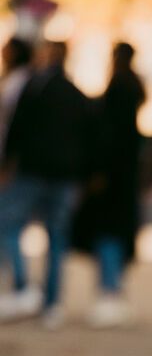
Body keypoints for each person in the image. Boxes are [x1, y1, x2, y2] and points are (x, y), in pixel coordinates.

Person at [0, 40, 92, 328]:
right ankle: (52, 303)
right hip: (64, 175)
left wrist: (7, 166)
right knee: (57, 237)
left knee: (9, 224)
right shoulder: (77, 94)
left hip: (34, 170)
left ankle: (24, 285)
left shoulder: (35, 88)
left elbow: (17, 127)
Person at [72, 42, 147, 328]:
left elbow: (109, 136)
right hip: (124, 177)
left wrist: (98, 171)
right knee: (114, 233)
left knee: (108, 233)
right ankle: (112, 289)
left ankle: (110, 290)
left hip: (112, 178)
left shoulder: (118, 91)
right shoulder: (132, 89)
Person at [0, 36, 33, 292]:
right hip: (12, 161)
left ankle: (20, 283)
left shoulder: (19, 83)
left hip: (11, 163)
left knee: (8, 223)